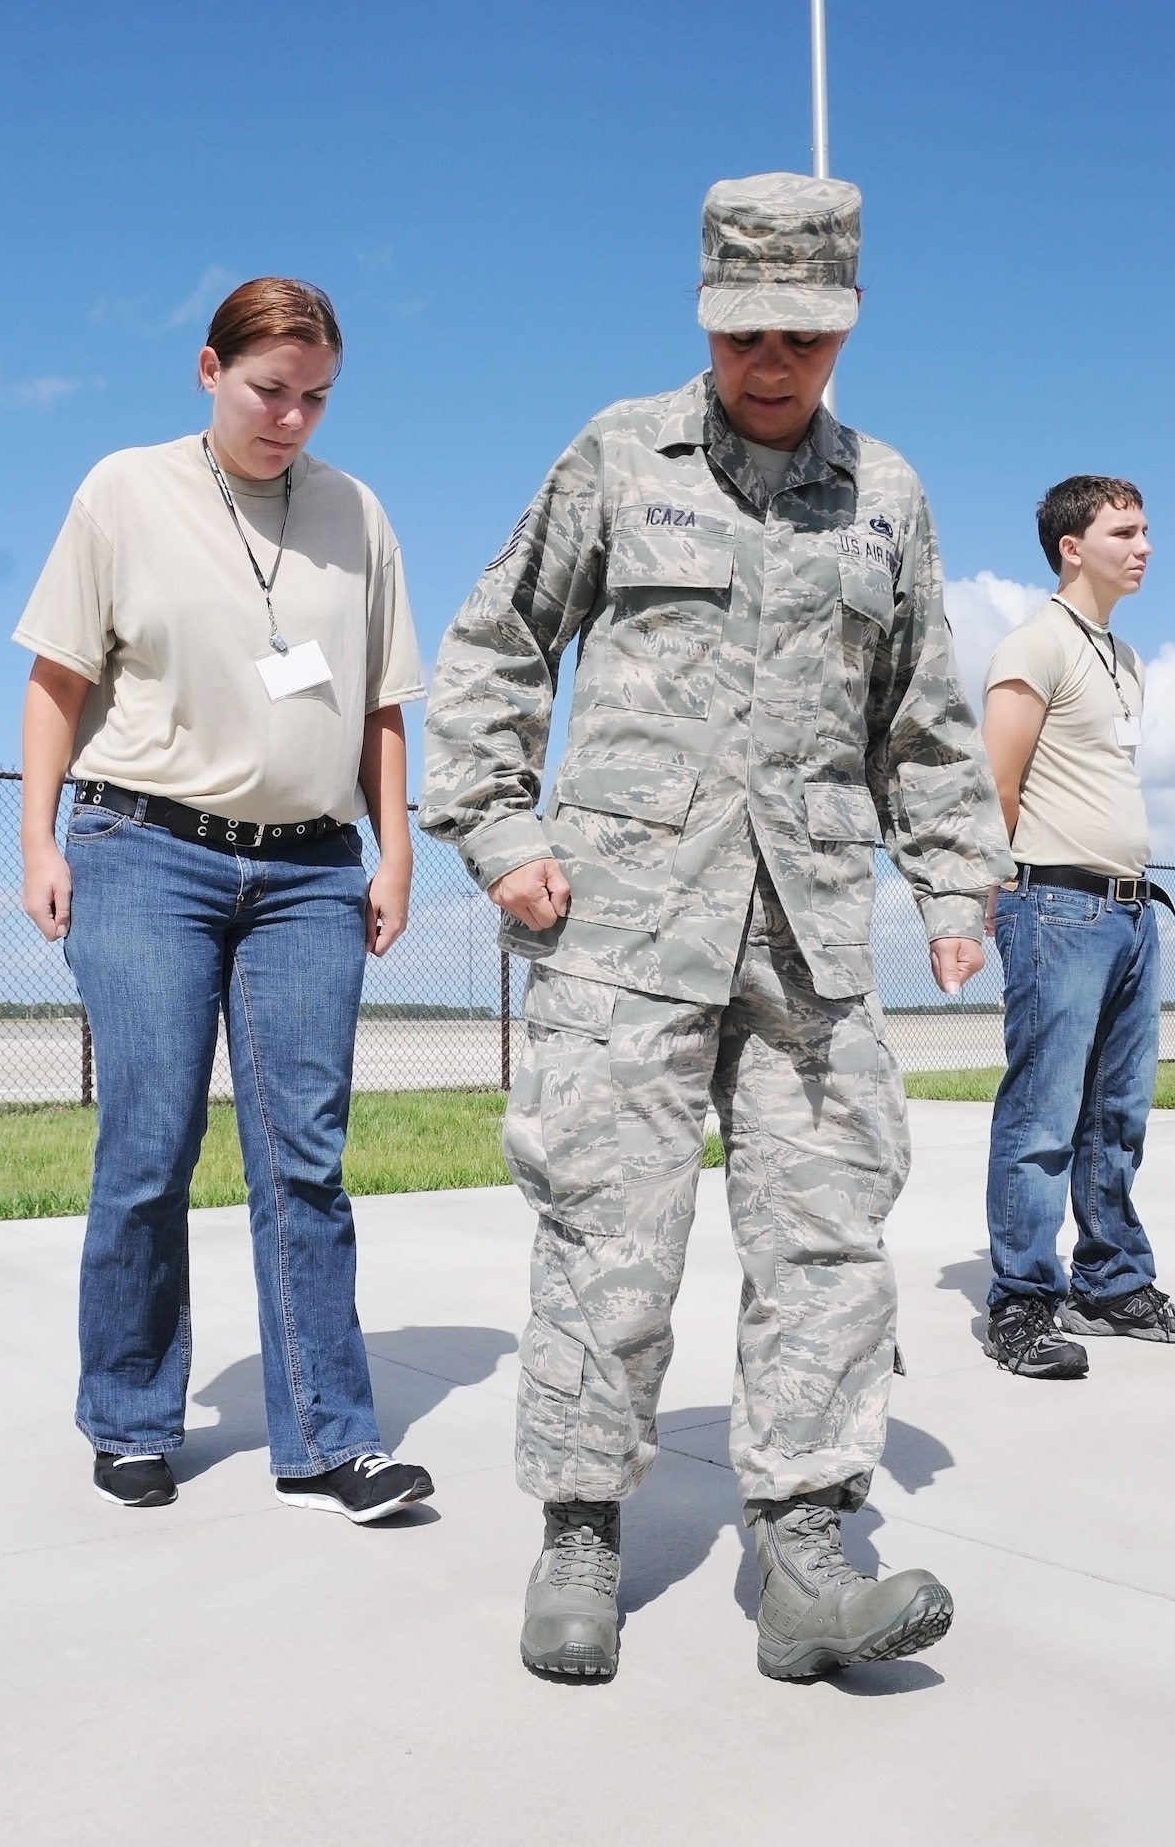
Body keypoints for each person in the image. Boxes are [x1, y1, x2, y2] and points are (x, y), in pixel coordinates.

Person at [420, 174, 1013, 1682]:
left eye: (803, 336)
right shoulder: (621, 454)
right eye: (746, 328)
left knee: (826, 1244)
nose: (772, 360)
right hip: (622, 926)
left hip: (809, 941)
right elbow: (493, 645)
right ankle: (578, 1531)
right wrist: (500, 833)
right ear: (706, 314)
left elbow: (927, 720)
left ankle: (806, 1551)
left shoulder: (887, 493)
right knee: (608, 1239)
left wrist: (954, 887)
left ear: (848, 324)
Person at [15, 277, 435, 1522]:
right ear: (208, 370)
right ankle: (133, 1413)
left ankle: (327, 1440)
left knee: (303, 1160)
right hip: (144, 851)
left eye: (315, 397)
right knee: (149, 1145)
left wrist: (394, 848)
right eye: (269, 390)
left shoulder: (355, 513)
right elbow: (55, 676)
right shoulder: (122, 491)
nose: (292, 418)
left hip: (311, 870)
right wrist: (36, 836)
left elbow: (378, 704)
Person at [980, 476, 1175, 1377]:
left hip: (1129, 911)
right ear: (1074, 546)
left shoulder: (1126, 658)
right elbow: (995, 783)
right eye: (1126, 530)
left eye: (1146, 529)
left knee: (1117, 1117)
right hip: (1056, 909)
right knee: (1043, 1116)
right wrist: (982, 904)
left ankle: (1113, 1283)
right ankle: (1022, 1305)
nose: (1145, 545)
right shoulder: (1035, 645)